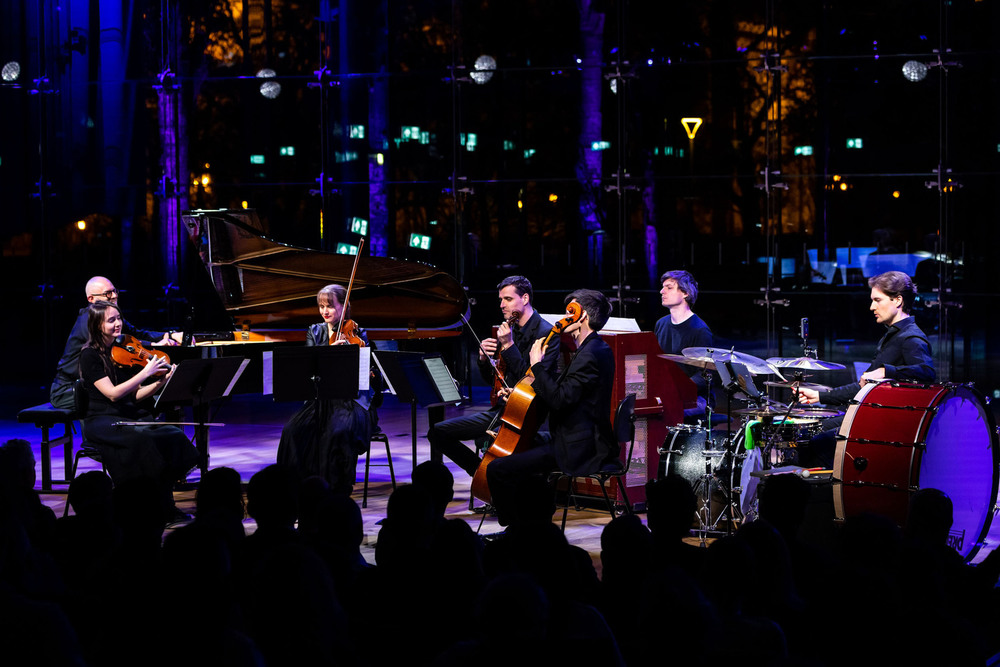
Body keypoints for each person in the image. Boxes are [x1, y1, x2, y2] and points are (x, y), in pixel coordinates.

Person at [485, 289, 616, 528]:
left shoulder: (591, 354)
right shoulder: (591, 349)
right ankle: (531, 523)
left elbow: (559, 400)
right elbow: (564, 395)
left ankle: (516, 531)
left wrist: (536, 366)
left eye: (569, 311)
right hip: (573, 436)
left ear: (582, 316)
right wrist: (518, 396)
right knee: (521, 448)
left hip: (579, 447)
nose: (562, 318)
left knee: (497, 470)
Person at [77, 300, 199, 524]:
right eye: (111, 320)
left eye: (119, 318)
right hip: (101, 419)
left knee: (172, 435)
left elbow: (133, 396)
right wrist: (146, 373)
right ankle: (152, 509)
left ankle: (163, 503)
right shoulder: (89, 356)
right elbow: (113, 394)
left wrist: (161, 382)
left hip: (126, 413)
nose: (118, 324)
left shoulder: (120, 350)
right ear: (97, 325)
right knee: (143, 440)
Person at [796, 271, 934, 467]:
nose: (872, 307)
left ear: (898, 300)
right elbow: (864, 386)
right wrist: (819, 396)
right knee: (814, 430)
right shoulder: (893, 336)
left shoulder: (911, 338)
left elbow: (927, 373)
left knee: (817, 443)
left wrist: (887, 372)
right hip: (868, 416)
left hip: (884, 426)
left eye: (878, 300)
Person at [427, 275, 559, 478]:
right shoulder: (509, 329)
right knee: (437, 432)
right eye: (500, 300)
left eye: (508, 299)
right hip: (503, 411)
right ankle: (483, 474)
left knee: (492, 441)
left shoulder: (547, 334)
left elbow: (533, 381)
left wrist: (508, 346)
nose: (501, 305)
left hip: (529, 415)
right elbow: (495, 382)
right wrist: (484, 359)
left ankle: (493, 479)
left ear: (524, 298)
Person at [276, 284, 380, 495]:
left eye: (330, 306)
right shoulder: (314, 331)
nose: (324, 311)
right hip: (321, 399)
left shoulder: (358, 333)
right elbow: (309, 365)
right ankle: (298, 489)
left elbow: (368, 373)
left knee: (337, 431)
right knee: (292, 431)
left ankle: (336, 490)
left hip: (351, 400)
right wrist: (327, 354)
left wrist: (367, 370)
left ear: (344, 307)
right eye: (321, 306)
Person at [50, 276, 180, 409]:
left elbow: (134, 334)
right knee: (116, 400)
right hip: (69, 388)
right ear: (91, 299)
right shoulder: (89, 319)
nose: (114, 296)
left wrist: (170, 335)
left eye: (114, 291)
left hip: (94, 382)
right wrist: (152, 348)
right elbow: (119, 343)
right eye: (107, 293)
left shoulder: (111, 315)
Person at [655, 270, 714, 418]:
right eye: (663, 287)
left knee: (666, 412)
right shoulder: (661, 324)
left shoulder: (700, 330)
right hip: (666, 392)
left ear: (685, 293)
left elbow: (704, 375)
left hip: (696, 398)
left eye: (669, 287)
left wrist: (675, 390)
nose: (662, 291)